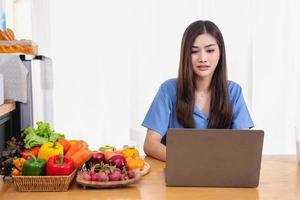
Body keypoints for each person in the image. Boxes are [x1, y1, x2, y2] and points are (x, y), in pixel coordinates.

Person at [142, 20, 254, 161]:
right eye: (194, 51)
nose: (202, 58)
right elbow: (150, 144)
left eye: (210, 50)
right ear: (185, 55)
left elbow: (246, 145)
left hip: (221, 176)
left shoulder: (233, 92)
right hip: (179, 173)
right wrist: (192, 161)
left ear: (220, 53)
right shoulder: (168, 90)